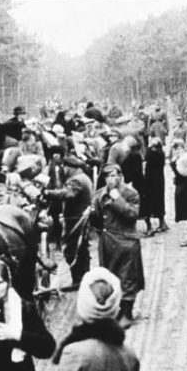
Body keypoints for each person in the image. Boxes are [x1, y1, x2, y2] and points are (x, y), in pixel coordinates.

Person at [90, 164, 144, 328]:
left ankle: (127, 313)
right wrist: (93, 214)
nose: (110, 179)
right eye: (107, 176)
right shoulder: (99, 194)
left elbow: (132, 215)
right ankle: (115, 310)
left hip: (126, 241)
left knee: (127, 277)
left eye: (114, 175)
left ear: (120, 176)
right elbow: (97, 221)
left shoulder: (130, 193)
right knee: (109, 276)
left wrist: (116, 199)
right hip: (108, 241)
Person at [44, 156, 94, 288]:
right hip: (81, 219)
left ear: (70, 168)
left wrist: (48, 193)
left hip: (76, 221)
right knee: (82, 250)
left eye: (65, 167)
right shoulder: (83, 177)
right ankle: (84, 277)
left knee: (73, 250)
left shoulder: (76, 180)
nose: (63, 170)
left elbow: (68, 194)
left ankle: (78, 280)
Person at [143, 135, 168, 236]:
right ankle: (162, 222)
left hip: (151, 181)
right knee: (160, 201)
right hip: (159, 180)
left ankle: (157, 224)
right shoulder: (161, 153)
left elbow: (147, 157)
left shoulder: (152, 154)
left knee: (150, 201)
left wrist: (149, 147)